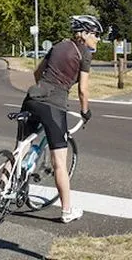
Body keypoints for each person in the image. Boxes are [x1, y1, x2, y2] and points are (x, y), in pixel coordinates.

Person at [20, 14, 102, 223]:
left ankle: (1, 185)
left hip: (32, 98)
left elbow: (37, 72)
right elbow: (83, 90)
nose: (98, 39)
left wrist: (43, 88)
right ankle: (67, 211)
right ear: (83, 34)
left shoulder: (57, 46)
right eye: (95, 34)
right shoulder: (84, 54)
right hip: (54, 106)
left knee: (21, 148)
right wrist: (85, 111)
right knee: (59, 163)